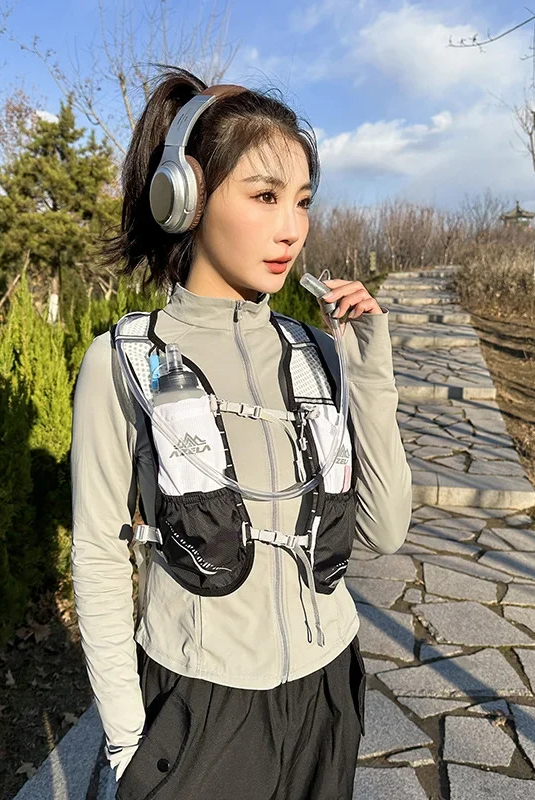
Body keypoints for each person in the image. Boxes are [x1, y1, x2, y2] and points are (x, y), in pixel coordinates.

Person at [70, 66, 412, 800]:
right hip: (200, 708)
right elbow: (98, 557)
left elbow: (384, 531)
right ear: (185, 199)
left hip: (326, 694)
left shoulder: (317, 355)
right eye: (264, 196)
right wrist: (128, 740)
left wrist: (368, 370)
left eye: (303, 201)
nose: (292, 228)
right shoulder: (126, 361)